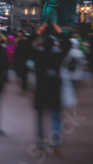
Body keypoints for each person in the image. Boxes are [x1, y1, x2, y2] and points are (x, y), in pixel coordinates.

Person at [32, 23, 68, 156]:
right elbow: (67, 45)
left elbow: (28, 45)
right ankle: (56, 144)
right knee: (56, 118)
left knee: (40, 118)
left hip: (41, 90)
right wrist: (60, 32)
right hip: (54, 91)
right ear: (54, 46)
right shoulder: (57, 57)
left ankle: (40, 141)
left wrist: (38, 32)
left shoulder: (38, 57)